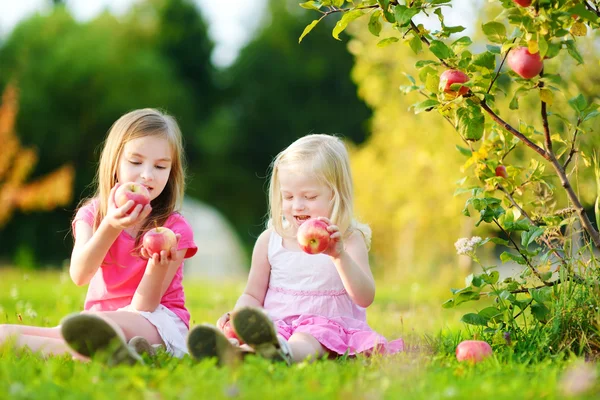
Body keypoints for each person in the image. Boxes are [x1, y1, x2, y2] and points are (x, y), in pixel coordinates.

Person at [0, 108, 197, 364]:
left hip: (156, 321)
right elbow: (80, 275)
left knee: (97, 326)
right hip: (96, 324)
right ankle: (123, 354)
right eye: (136, 162)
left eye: (160, 166)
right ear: (115, 163)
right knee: (6, 334)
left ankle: (118, 352)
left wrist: (156, 267)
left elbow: (145, 306)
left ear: (172, 171)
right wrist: (110, 226)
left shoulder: (174, 229)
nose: (147, 174)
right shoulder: (92, 215)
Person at [187, 134, 403, 365]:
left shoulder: (348, 241)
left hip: (324, 329)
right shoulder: (270, 241)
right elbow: (252, 294)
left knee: (306, 338)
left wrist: (338, 256)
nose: (297, 205)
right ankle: (238, 350)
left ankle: (284, 353)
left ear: (336, 195)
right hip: (276, 326)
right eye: (288, 196)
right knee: (268, 335)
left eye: (309, 197)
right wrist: (240, 318)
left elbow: (364, 297)